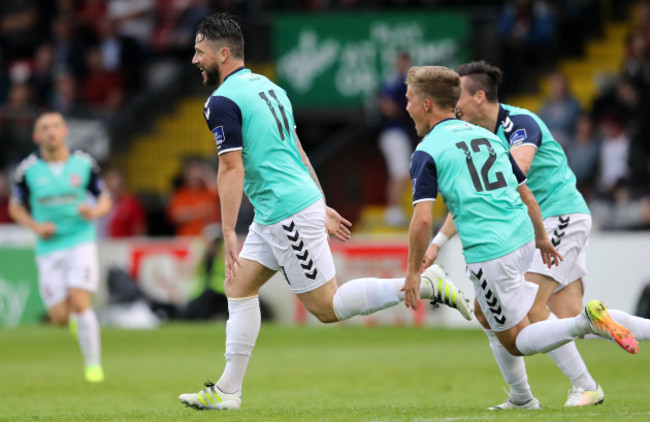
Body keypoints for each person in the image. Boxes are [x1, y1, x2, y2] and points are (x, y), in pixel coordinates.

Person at [177, 14, 472, 411]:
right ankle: (228, 390)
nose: (195, 59)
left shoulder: (222, 101)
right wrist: (321, 201)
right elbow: (296, 147)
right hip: (282, 208)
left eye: (200, 51)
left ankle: (429, 283)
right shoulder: (269, 88)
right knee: (238, 287)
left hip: (284, 211)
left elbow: (232, 167)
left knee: (326, 307)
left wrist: (229, 230)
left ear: (223, 53)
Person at [405, 65, 638, 410]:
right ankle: (525, 394)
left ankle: (582, 386)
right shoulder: (480, 138)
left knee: (532, 314)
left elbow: (509, 181)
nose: (457, 107)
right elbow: (494, 191)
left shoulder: (518, 125)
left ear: (479, 97)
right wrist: (439, 244)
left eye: (462, 99)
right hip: (530, 226)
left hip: (556, 215)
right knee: (516, 313)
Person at [8, 111, 112, 382]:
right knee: (59, 317)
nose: (51, 132)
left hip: (80, 240)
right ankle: (76, 322)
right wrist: (36, 227)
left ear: (65, 131)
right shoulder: (28, 170)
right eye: (44, 128)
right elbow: (15, 208)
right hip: (49, 247)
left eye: (55, 126)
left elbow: (105, 199)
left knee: (80, 302)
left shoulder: (83, 163)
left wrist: (93, 212)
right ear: (36, 136)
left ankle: (93, 366)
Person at [377, 51, 413, 226]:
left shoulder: (400, 81)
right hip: (393, 132)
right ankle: (393, 210)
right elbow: (386, 105)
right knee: (400, 172)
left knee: (400, 172)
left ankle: (395, 209)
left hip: (397, 132)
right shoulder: (395, 82)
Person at [167, 156, 220, 237]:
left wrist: (206, 172)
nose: (194, 175)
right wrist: (199, 211)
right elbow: (176, 216)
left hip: (209, 239)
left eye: (198, 171)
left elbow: (218, 190)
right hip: (187, 238)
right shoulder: (181, 194)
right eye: (191, 172)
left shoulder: (208, 191)